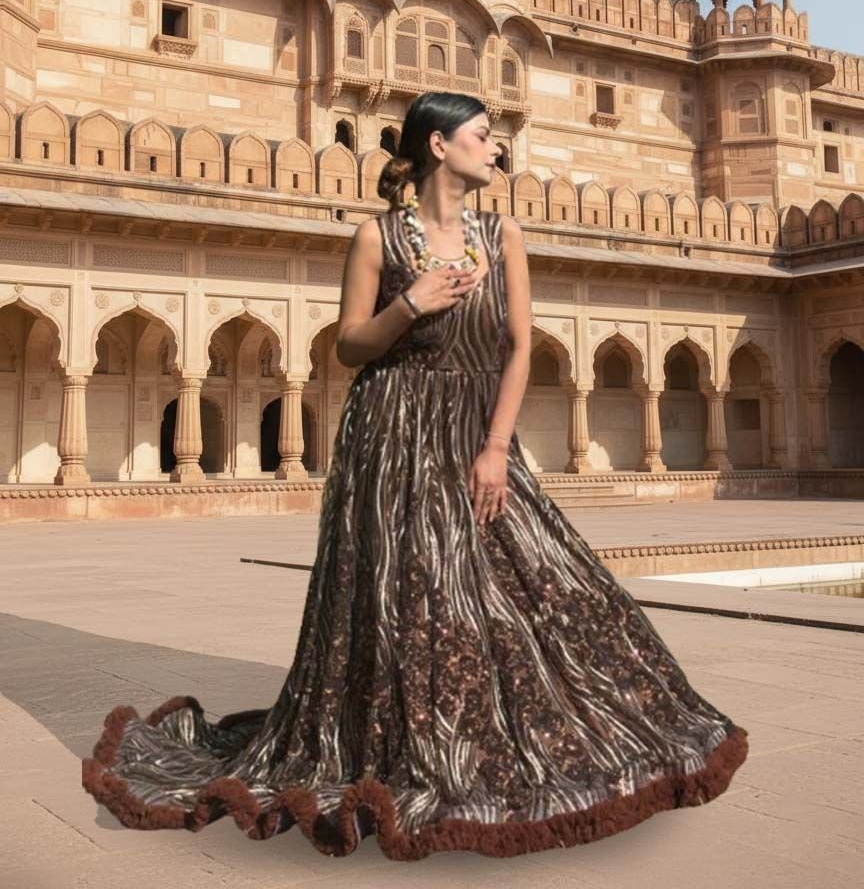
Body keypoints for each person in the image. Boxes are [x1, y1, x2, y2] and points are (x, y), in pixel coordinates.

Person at [82, 90, 748, 861]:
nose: (494, 150)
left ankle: (496, 723)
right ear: (438, 147)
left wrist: (498, 447)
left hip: (471, 428)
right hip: (390, 436)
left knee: (541, 575)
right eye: (480, 136)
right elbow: (351, 347)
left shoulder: (503, 235)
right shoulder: (377, 238)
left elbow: (521, 346)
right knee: (407, 588)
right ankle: (415, 738)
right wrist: (412, 303)